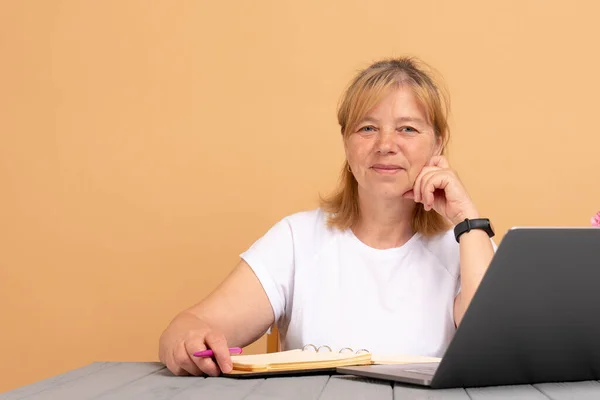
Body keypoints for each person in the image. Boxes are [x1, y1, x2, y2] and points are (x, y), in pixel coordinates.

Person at [158, 57, 497, 377]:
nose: (385, 144)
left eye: (407, 129)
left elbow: (494, 348)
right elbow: (188, 326)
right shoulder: (296, 239)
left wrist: (467, 219)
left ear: (438, 144)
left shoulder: (467, 247)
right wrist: (187, 342)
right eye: (367, 128)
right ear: (346, 143)